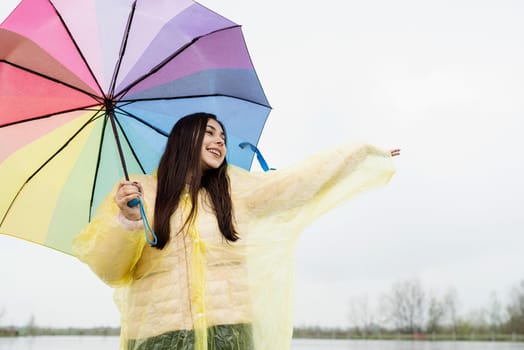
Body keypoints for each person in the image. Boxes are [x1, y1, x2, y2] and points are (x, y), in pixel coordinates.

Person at [73, 112, 399, 350]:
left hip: (229, 333)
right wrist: (128, 220)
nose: (220, 142)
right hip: (161, 337)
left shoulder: (235, 193)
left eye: (223, 138)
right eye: (210, 133)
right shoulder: (139, 193)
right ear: (185, 138)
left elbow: (301, 181)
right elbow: (110, 270)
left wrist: (360, 154)